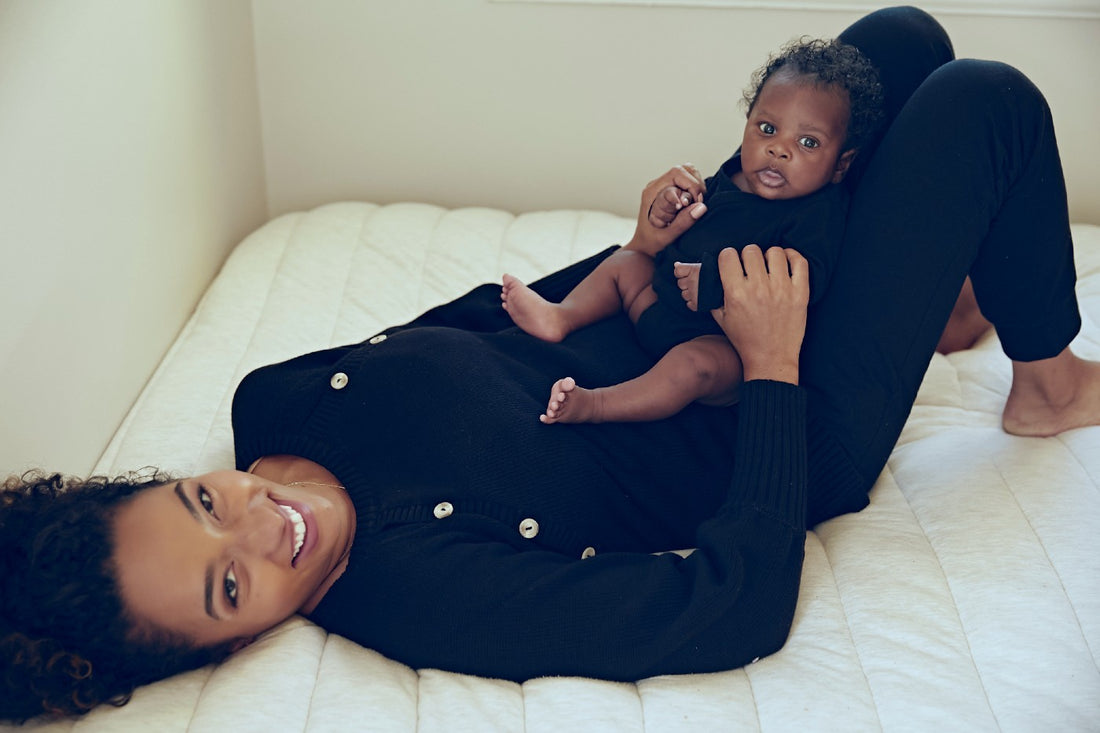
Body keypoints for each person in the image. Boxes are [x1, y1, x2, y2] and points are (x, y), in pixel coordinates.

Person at [4, 5, 1100, 722]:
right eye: (228, 584)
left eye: (204, 499)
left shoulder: (274, 397)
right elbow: (734, 607)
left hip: (686, 294)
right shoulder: (422, 596)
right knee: (981, 102)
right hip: (775, 414)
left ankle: (933, 295)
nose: (261, 520)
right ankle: (1046, 388)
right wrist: (769, 365)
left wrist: (643, 248)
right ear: (221, 645)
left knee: (897, 45)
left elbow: (479, 316)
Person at [501, 37, 884, 425]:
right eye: (767, 128)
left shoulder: (818, 213)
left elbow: (803, 281)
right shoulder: (737, 172)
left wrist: (718, 285)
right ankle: (561, 316)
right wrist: (674, 204)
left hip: (721, 343)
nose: (779, 149)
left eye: (807, 142)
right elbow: (700, 219)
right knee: (627, 262)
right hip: (658, 306)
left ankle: (595, 405)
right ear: (748, 123)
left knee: (692, 368)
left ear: (840, 164)